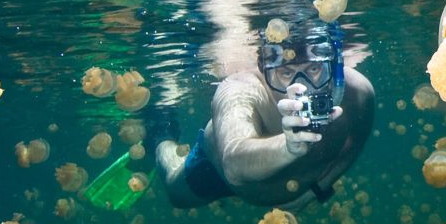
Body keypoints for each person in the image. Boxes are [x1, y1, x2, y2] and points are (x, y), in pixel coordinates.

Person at [156, 20, 374, 209]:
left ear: (331, 65)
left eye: (314, 70)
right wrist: (286, 147)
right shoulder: (239, 88)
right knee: (175, 190)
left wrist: (317, 190)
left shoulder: (358, 91)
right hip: (214, 170)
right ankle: (161, 134)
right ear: (264, 68)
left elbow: (356, 141)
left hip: (282, 188)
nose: (302, 86)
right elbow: (233, 162)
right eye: (286, 73)